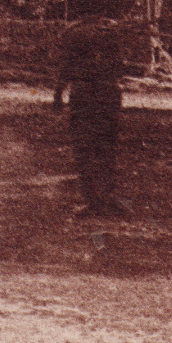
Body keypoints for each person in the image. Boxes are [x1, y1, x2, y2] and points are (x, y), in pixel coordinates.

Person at [53, 14, 135, 217]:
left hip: (83, 94)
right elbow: (120, 66)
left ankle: (92, 200)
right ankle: (106, 197)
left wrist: (58, 96)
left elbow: (65, 67)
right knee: (106, 147)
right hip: (107, 94)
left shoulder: (73, 32)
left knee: (84, 148)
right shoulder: (112, 31)